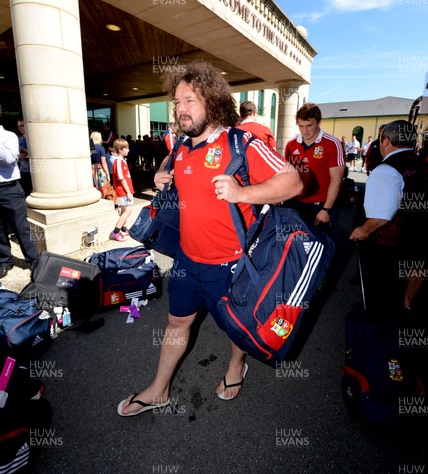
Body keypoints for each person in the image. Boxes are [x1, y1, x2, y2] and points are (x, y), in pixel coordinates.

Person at [117, 60, 303, 416]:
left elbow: (293, 181)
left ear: (213, 102)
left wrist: (243, 194)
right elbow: (172, 169)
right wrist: (160, 176)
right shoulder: (182, 147)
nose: (180, 109)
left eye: (190, 100)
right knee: (177, 322)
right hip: (187, 260)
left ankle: (236, 365)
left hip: (231, 264)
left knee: (237, 326)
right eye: (177, 102)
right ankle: (159, 389)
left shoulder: (241, 142)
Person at [350, 120, 427, 319]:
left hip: (390, 243)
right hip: (418, 236)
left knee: (383, 294)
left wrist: (362, 231)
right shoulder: (421, 163)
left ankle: (382, 324)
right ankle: (407, 306)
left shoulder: (385, 170)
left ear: (385, 140)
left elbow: (381, 215)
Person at [284, 103, 345, 230]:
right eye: (301, 126)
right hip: (294, 203)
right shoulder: (291, 144)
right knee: (293, 244)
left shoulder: (333, 144)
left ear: (318, 122)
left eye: (309, 125)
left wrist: (326, 209)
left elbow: (336, 180)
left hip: (319, 206)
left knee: (319, 245)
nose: (304, 130)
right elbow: (286, 174)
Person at [0, 105, 39, 278]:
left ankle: (34, 260)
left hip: (9, 189)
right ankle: (4, 261)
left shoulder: (9, 136)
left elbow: (9, 159)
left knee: (21, 227)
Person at [110, 138, 134, 241]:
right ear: (120, 149)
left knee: (124, 209)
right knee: (128, 210)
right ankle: (116, 231)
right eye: (126, 148)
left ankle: (123, 228)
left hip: (124, 190)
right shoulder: (118, 162)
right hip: (123, 191)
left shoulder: (121, 161)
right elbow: (121, 178)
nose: (128, 150)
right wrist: (128, 192)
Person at [17, 119, 32, 197]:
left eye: (22, 125)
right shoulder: (18, 140)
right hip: (24, 170)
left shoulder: (34, 139)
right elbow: (20, 156)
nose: (20, 128)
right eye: (19, 126)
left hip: (37, 169)